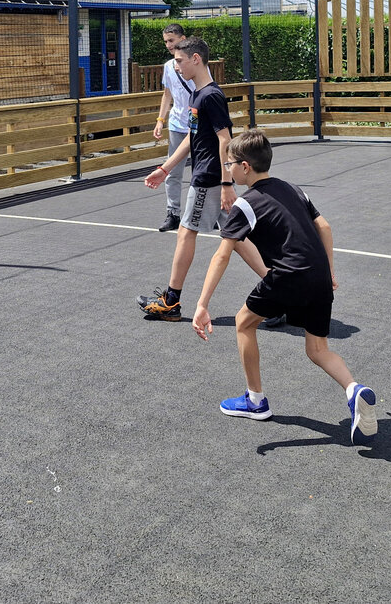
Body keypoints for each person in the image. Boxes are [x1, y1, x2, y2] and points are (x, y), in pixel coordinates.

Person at [191, 129, 378, 445]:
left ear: (245, 167)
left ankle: (255, 401)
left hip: (289, 275)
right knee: (318, 349)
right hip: (318, 277)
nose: (228, 169)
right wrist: (329, 272)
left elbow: (222, 254)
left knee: (243, 323)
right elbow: (325, 227)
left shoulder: (245, 204)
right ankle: (353, 389)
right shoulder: (294, 189)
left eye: (230, 164)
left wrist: (202, 304)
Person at [138, 38, 266, 322]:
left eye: (180, 61)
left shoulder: (211, 96)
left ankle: (171, 301)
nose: (176, 65)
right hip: (210, 176)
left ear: (196, 59)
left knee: (186, 231)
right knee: (238, 237)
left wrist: (226, 184)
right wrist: (165, 169)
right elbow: (191, 139)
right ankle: (280, 290)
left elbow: (225, 140)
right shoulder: (197, 94)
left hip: (209, 177)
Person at [151, 23, 202, 232]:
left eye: (171, 40)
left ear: (183, 39)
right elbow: (167, 94)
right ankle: (173, 213)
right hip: (177, 125)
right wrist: (160, 120)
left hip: (197, 125)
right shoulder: (167, 66)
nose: (168, 45)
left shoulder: (197, 64)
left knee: (202, 170)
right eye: (166, 41)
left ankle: (209, 211)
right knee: (172, 171)